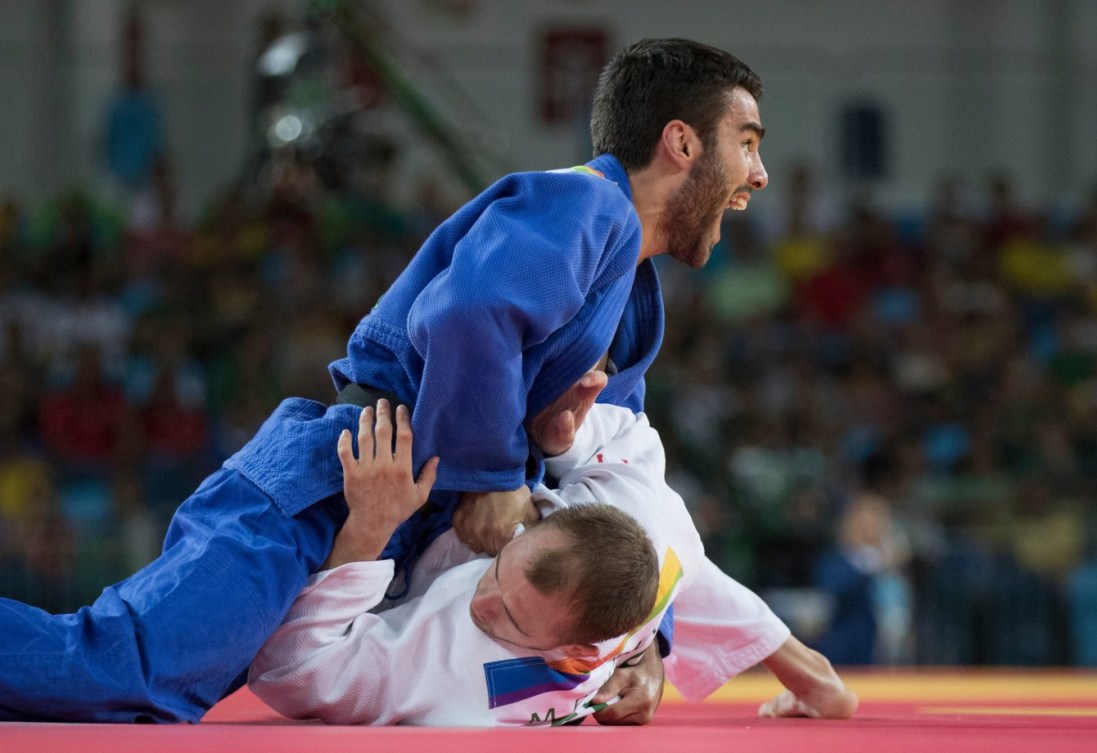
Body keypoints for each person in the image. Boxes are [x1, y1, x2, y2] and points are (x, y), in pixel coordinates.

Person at [0, 38, 769, 723]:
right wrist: (492, 476)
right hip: (335, 478)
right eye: (745, 142)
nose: (758, 174)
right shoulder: (583, 204)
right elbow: (468, 313)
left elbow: (620, 478)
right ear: (680, 143)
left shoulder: (634, 297)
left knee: (164, 694)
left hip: (414, 519)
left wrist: (642, 638)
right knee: (122, 672)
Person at [249, 398, 856, 726]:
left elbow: (289, 669)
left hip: (431, 585)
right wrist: (562, 437)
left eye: (508, 619)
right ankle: (812, 669)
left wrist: (369, 527)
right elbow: (630, 439)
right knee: (683, 567)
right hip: (649, 572)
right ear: (556, 509)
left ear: (574, 654)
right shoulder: (649, 515)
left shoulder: (451, 672)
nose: (483, 602)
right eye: (499, 567)